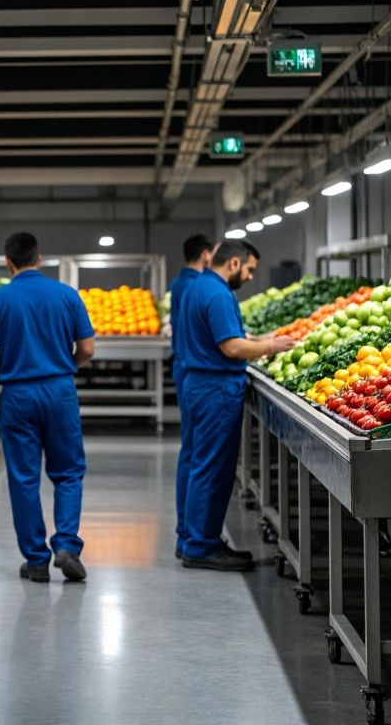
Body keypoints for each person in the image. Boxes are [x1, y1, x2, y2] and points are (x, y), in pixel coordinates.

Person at [0, 232, 95, 583]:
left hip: (17, 395)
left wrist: (9, 359)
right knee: (69, 472)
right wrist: (63, 362)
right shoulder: (67, 295)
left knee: (24, 478)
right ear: (39, 258)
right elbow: (87, 349)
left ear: (8, 262)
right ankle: (67, 545)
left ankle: (36, 560)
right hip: (59, 390)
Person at [175, 239, 296, 571]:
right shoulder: (217, 294)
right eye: (249, 270)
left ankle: (189, 537)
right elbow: (230, 348)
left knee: (194, 462)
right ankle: (201, 547)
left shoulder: (196, 287)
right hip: (215, 388)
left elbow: (216, 337)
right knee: (211, 468)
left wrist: (259, 340)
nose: (249, 277)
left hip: (196, 384)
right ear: (233, 264)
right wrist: (270, 346)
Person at [169, 233, 215, 559]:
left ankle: (186, 533)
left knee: (191, 451)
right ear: (205, 255)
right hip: (195, 371)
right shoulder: (195, 286)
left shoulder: (179, 283)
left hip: (186, 368)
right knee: (198, 455)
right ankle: (191, 535)